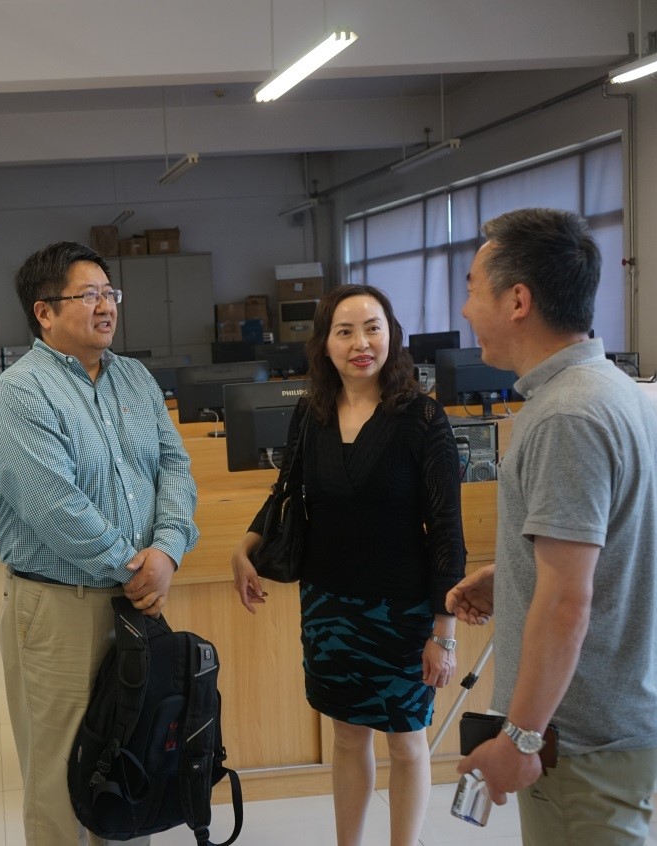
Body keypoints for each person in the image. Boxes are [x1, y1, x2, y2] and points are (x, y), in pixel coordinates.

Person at [447, 208, 657, 844]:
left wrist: (520, 737)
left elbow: (568, 603)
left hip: (583, 741)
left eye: (472, 289)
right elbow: (604, 558)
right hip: (605, 729)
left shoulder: (565, 417)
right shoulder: (607, 389)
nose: (465, 309)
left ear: (517, 300)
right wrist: (515, 575)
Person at [0, 240, 199, 845]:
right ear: (44, 312)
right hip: (61, 609)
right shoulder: (22, 391)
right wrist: (135, 567)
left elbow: (175, 467)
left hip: (137, 602)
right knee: (63, 783)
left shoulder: (134, 378)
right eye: (89, 295)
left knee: (132, 768)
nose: (106, 306)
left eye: (110, 293)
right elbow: (52, 504)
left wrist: (168, 549)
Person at [231, 284, 465, 846]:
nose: (361, 343)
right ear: (325, 344)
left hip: (402, 610)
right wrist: (245, 546)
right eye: (345, 331)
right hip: (329, 606)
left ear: (391, 336)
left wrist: (444, 632)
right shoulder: (311, 413)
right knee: (346, 737)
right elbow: (286, 491)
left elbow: (447, 533)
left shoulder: (423, 418)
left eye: (372, 328)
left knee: (406, 742)